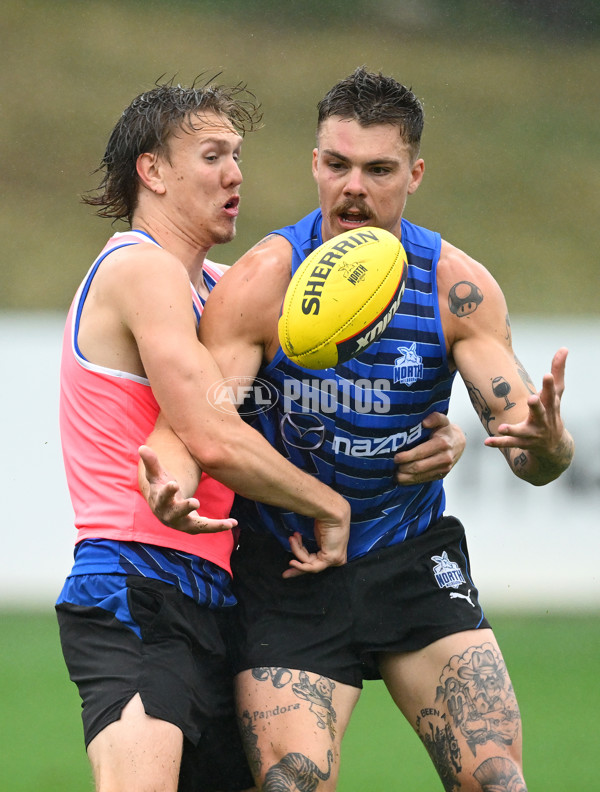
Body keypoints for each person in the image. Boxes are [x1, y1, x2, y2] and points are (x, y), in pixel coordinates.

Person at [143, 67, 572, 791]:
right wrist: (176, 483)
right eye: (337, 165)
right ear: (315, 164)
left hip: (409, 557)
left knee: (498, 778)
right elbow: (198, 421)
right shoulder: (263, 283)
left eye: (379, 169)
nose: (354, 187)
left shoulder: (453, 287)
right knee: (294, 782)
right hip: (290, 563)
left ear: (415, 174)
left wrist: (550, 446)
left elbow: (531, 455)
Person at [55, 76, 359, 792]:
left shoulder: (219, 288)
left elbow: (310, 413)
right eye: (213, 156)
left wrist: (434, 436)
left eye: (239, 157)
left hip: (215, 595)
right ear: (152, 171)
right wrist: (330, 505)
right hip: (134, 582)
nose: (235, 175)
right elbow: (209, 433)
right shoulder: (138, 268)